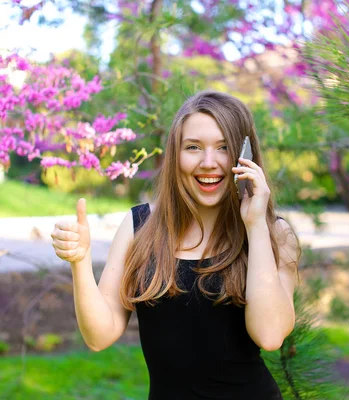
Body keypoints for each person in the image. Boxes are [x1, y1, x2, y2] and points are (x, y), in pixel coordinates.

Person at [51, 90, 300, 400]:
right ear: (175, 154)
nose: (209, 163)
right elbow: (99, 336)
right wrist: (80, 261)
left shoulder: (276, 234)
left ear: (244, 154)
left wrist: (254, 223)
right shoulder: (139, 226)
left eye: (223, 147)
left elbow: (270, 335)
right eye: (193, 147)